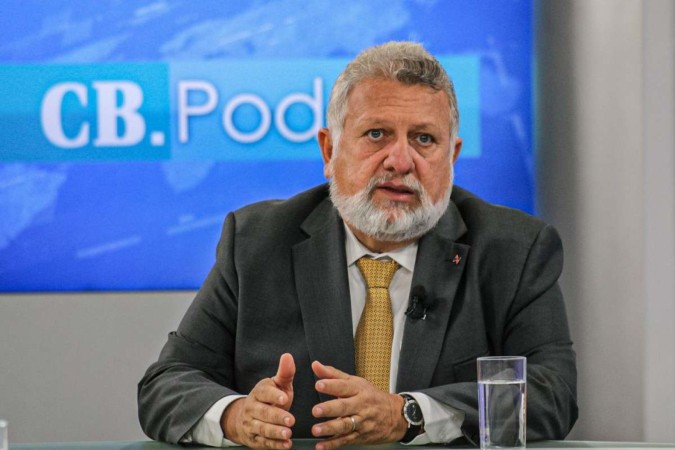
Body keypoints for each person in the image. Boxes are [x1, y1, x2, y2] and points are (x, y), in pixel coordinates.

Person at [138, 41, 578, 449]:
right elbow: (166, 383)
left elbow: (552, 394)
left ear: (452, 157)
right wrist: (236, 417)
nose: (400, 161)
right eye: (377, 134)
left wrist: (408, 414)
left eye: (424, 139)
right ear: (329, 151)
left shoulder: (514, 250)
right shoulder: (257, 242)